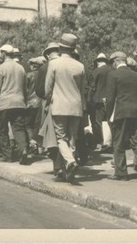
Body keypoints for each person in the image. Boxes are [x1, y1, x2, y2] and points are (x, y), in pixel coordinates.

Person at [105, 51, 137, 183]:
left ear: (116, 62)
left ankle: (121, 173)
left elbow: (110, 99)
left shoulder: (113, 75)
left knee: (118, 142)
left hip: (121, 112)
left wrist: (108, 114)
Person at [44, 34, 86, 183]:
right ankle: (69, 170)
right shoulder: (80, 66)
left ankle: (70, 161)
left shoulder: (54, 64)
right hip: (76, 106)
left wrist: (47, 102)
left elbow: (48, 88)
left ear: (61, 47)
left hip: (59, 105)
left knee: (61, 137)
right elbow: (82, 90)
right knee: (72, 138)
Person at [0, 44, 29, 164]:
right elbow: (25, 88)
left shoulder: (1, 68)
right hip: (19, 102)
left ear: (3, 53)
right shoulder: (21, 68)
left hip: (5, 103)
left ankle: (7, 155)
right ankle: (23, 150)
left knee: (2, 130)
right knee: (18, 129)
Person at [36, 42, 64, 178]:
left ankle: (57, 167)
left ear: (47, 54)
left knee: (51, 137)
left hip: (50, 105)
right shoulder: (69, 64)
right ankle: (62, 165)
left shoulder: (45, 68)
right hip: (70, 106)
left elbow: (40, 90)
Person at [87, 53, 112, 152]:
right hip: (109, 99)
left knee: (98, 122)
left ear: (97, 61)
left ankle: (101, 142)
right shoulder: (111, 71)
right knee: (108, 121)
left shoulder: (96, 71)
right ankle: (109, 143)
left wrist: (89, 99)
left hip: (98, 100)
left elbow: (93, 87)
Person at [25, 56, 46, 154]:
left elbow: (25, 90)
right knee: (39, 125)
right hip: (41, 102)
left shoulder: (29, 75)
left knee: (28, 125)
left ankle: (32, 143)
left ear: (33, 66)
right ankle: (41, 146)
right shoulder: (43, 74)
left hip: (30, 103)